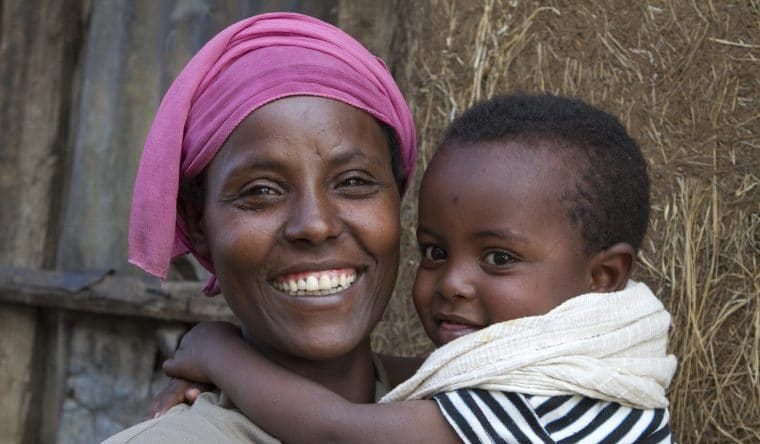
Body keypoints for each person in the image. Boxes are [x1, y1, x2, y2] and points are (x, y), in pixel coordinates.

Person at [154, 94, 678, 443]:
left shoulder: (540, 402)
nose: (452, 282)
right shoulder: (601, 368)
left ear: (604, 276)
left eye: (499, 258)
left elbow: (341, 432)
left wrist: (219, 353)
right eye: (434, 252)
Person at [102, 11, 418, 443]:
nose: (315, 225)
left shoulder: (482, 409)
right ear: (198, 226)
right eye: (262, 191)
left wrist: (220, 355)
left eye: (354, 182)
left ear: (397, 199)